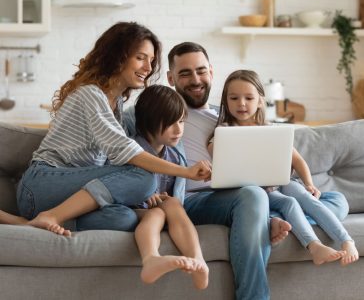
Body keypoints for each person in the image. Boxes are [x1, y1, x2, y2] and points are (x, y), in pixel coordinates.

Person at [166, 42, 351, 300]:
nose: (195, 79)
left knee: (337, 201)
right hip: (200, 199)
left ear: (211, 71)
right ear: (171, 77)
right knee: (254, 195)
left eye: (200, 71)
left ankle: (266, 222)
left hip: (248, 196)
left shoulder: (226, 116)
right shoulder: (166, 114)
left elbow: (282, 154)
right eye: (185, 73)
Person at [0, 22, 211, 237]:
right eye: (140, 57)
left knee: (124, 218)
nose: (148, 68)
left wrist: (140, 194)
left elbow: (114, 164)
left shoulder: (116, 104)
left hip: (68, 193)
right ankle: (51, 217)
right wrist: (186, 172)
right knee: (145, 178)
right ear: (117, 56)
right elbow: (126, 152)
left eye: (151, 60)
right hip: (42, 184)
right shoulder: (90, 95)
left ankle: (32, 221)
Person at [207, 69, 359, 267]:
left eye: (249, 98)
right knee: (290, 203)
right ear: (226, 101)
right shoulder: (224, 131)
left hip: (280, 183)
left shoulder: (271, 130)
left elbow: (298, 161)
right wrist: (218, 143)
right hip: (256, 192)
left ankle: (347, 240)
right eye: (234, 98)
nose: (241, 103)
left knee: (303, 196)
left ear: (260, 100)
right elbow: (213, 151)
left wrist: (309, 184)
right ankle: (314, 246)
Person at [133, 84, 208, 289]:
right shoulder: (133, 150)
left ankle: (198, 260)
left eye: (182, 121)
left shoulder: (175, 154)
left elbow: (177, 193)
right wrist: (144, 195)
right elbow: (120, 185)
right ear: (148, 122)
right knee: (156, 214)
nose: (179, 129)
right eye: (170, 123)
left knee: (173, 204)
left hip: (166, 209)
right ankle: (151, 258)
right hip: (135, 208)